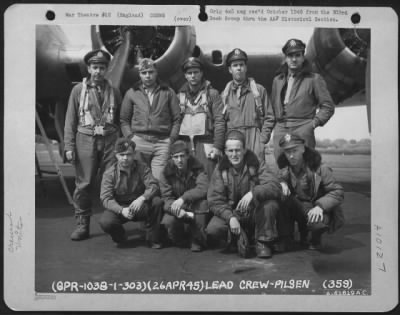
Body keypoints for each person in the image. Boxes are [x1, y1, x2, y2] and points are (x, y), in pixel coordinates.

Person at [64, 49, 122, 241]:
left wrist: (122, 145)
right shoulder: (78, 90)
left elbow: (121, 119)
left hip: (109, 140)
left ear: (107, 69)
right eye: (95, 67)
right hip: (86, 139)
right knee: (84, 183)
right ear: (88, 68)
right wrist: (69, 146)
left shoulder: (114, 90)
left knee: (111, 181)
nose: (98, 71)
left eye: (102, 67)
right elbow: (70, 120)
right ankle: (82, 224)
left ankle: (113, 223)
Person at [206, 130, 282, 258]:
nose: (234, 154)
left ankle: (263, 242)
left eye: (238, 150)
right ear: (225, 151)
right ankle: (236, 238)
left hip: (254, 212)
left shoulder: (257, 163)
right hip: (233, 213)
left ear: (244, 150)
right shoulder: (220, 169)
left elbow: (275, 186)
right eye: (230, 151)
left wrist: (253, 193)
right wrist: (230, 217)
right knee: (213, 229)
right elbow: (214, 200)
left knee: (270, 204)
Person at [264, 39, 335, 160]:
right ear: (285, 58)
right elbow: (273, 108)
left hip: (302, 127)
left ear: (303, 57)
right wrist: (268, 131)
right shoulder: (278, 80)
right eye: (290, 56)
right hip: (280, 128)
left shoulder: (314, 79)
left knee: (305, 167)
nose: (294, 59)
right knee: (281, 169)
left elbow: (328, 106)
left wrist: (313, 123)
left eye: (297, 55)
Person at [277, 133, 345, 250]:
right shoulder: (284, 170)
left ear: (303, 148)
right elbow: (276, 181)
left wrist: (320, 207)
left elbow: (337, 191)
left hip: (316, 208)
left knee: (318, 222)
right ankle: (286, 238)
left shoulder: (320, 168)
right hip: (299, 207)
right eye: (288, 152)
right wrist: (281, 183)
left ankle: (314, 237)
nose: (291, 156)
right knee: (280, 199)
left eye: (294, 150)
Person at [119, 58, 181, 180]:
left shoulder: (168, 92)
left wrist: (171, 139)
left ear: (156, 72)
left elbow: (177, 119)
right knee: (139, 179)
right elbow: (124, 120)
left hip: (162, 143)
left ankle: (157, 199)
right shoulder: (131, 93)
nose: (148, 76)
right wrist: (131, 138)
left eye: (151, 72)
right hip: (139, 141)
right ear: (139, 74)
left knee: (159, 179)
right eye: (144, 72)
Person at [99, 138, 163, 248]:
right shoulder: (109, 174)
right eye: (122, 154)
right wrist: (121, 210)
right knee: (106, 221)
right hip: (121, 207)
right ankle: (120, 237)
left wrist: (142, 198)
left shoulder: (142, 168)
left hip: (139, 205)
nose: (125, 158)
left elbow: (153, 185)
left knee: (157, 202)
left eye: (128, 154)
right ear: (116, 155)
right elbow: (106, 198)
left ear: (134, 154)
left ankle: (153, 238)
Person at [178, 57, 226, 180]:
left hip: (206, 145)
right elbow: (174, 123)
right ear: (185, 75)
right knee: (188, 180)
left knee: (209, 179)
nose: (193, 76)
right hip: (186, 145)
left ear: (201, 73)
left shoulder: (212, 94)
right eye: (189, 73)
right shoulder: (179, 97)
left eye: (196, 72)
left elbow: (220, 121)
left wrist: (218, 146)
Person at [221, 48, 271, 162]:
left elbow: (270, 117)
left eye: (241, 64)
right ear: (230, 69)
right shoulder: (224, 94)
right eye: (235, 65)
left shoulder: (258, 90)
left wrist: (262, 140)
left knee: (257, 173)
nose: (239, 68)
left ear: (246, 67)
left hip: (253, 138)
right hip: (233, 140)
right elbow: (220, 121)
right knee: (234, 175)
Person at [159, 140, 209, 252]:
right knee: (168, 222)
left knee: (203, 204)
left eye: (182, 156)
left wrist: (183, 198)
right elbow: (166, 198)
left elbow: (203, 188)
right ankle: (180, 238)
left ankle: (197, 239)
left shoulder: (198, 168)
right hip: (177, 205)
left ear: (187, 156)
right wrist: (175, 210)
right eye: (176, 157)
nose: (179, 160)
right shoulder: (165, 173)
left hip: (194, 203)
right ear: (171, 157)